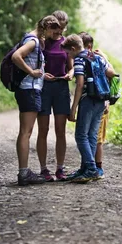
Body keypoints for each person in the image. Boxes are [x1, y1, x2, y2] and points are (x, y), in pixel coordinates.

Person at [11, 15, 61, 186]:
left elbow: (31, 61)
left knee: (26, 131)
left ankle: (24, 172)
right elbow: (16, 56)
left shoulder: (31, 39)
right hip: (29, 90)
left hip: (30, 88)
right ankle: (23, 173)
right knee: (26, 132)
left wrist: (40, 73)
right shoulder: (33, 41)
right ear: (47, 27)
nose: (54, 34)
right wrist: (31, 72)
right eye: (53, 31)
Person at [67, 32, 117, 183]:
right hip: (101, 100)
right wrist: (105, 58)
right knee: (92, 136)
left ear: (74, 48)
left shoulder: (79, 60)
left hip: (88, 99)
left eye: (69, 52)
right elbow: (112, 73)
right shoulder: (98, 57)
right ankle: (85, 168)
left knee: (81, 136)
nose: (69, 55)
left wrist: (73, 107)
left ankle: (90, 169)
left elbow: (80, 84)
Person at [36, 10, 73, 181]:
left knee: (60, 130)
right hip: (44, 88)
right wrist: (42, 74)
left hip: (61, 87)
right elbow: (34, 64)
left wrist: (70, 73)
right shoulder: (41, 43)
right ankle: (44, 169)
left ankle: (60, 168)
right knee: (43, 129)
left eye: (62, 28)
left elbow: (71, 66)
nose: (59, 31)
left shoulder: (66, 44)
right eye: (56, 27)